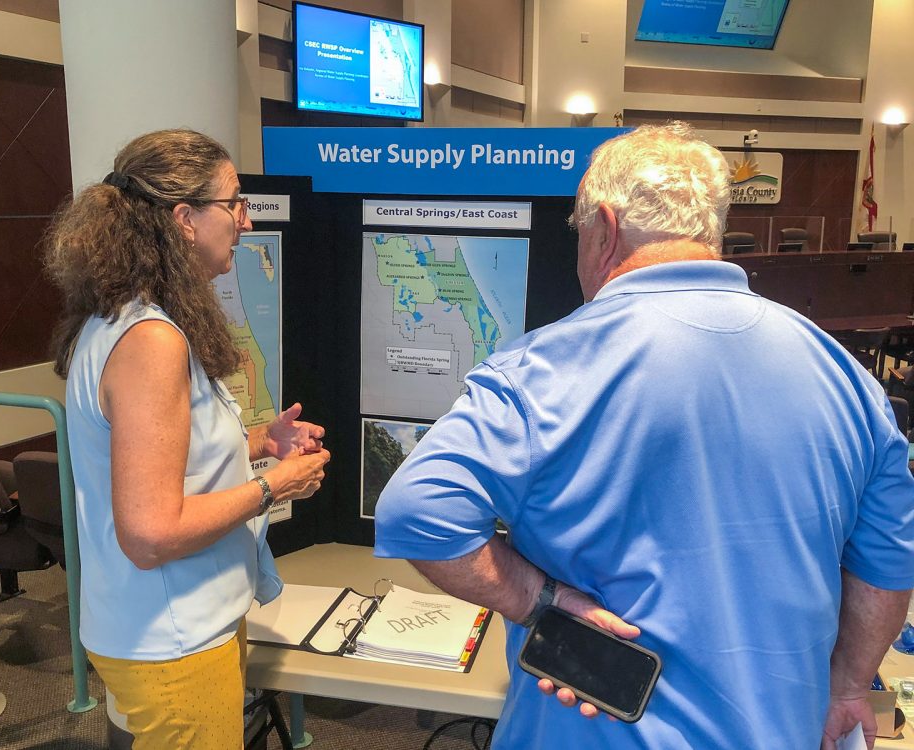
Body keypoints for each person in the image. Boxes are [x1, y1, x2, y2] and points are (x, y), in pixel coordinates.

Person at [374, 123, 914, 750]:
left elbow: (418, 514)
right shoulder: (843, 375)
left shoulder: (539, 372)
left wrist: (538, 599)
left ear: (603, 226)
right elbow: (888, 562)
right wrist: (848, 686)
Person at [45, 129, 331, 749]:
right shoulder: (151, 341)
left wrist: (257, 441)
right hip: (172, 640)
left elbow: (160, 454)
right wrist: (272, 485)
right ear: (184, 219)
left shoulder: (127, 319)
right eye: (234, 203)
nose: (246, 221)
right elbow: (150, 532)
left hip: (161, 626)